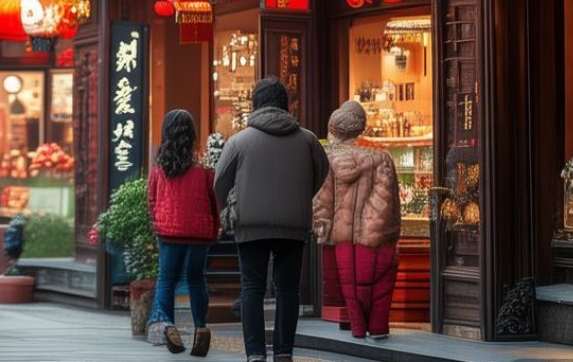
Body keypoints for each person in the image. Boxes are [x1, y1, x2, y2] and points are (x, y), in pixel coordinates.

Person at [214, 78, 330, 362]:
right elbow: (321, 173)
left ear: (255, 104)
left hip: (250, 223)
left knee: (252, 287)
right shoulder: (308, 139)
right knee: (288, 289)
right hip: (293, 224)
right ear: (285, 105)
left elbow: (219, 183)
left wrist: (234, 202)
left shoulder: (239, 141)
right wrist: (299, 198)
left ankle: (255, 353)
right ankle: (283, 352)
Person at [313, 101, 401, 340]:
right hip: (376, 235)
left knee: (350, 289)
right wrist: (390, 231)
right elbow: (390, 200)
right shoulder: (381, 159)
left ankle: (358, 329)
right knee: (380, 285)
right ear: (360, 128)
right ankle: (379, 328)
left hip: (342, 235)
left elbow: (323, 200)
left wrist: (323, 230)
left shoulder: (328, 160)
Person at [146, 110, 219, 356]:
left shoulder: (159, 170)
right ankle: (201, 329)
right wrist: (213, 228)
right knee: (196, 279)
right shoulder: (204, 169)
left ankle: (168, 325)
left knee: (166, 279)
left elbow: (151, 200)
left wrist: (157, 224)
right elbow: (214, 201)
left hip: (168, 232)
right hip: (198, 233)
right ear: (192, 135)